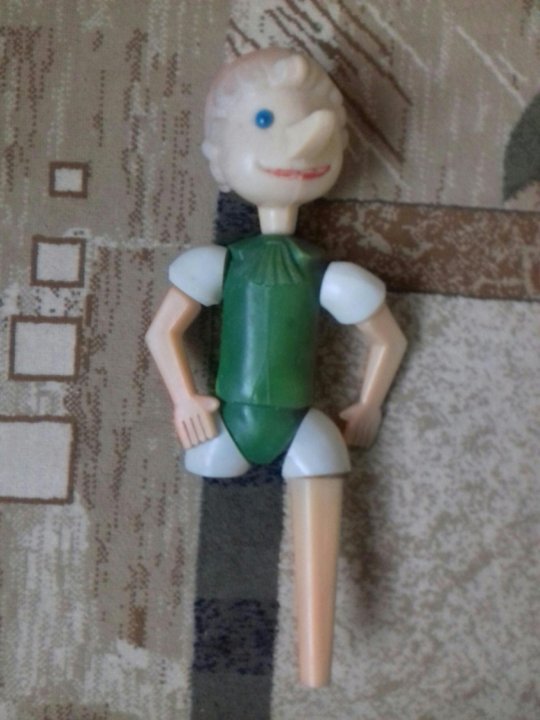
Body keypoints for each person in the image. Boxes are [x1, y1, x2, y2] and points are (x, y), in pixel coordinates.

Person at [146, 48, 407, 687]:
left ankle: (315, 670)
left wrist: (368, 404)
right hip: (226, 425)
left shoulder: (325, 273)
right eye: (264, 122)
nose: (302, 141)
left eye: (320, 127)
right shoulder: (224, 264)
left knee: (321, 485)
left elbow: (388, 339)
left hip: (299, 423)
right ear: (221, 153)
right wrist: (185, 399)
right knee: (202, 544)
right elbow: (162, 331)